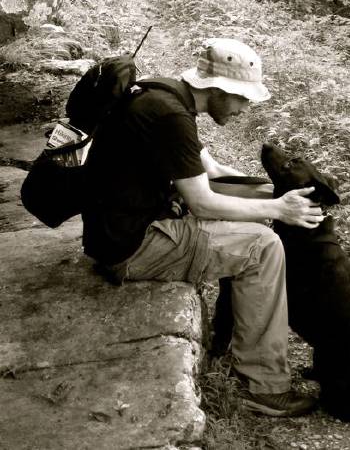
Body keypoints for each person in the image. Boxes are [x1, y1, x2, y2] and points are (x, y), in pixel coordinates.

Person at [82, 38, 324, 417]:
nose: (245, 109)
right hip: (132, 246)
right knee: (262, 246)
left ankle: (229, 338)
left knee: (252, 218)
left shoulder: (165, 94)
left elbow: (212, 173)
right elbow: (202, 202)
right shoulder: (171, 117)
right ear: (218, 89)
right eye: (242, 98)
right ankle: (264, 387)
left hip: (118, 229)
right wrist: (278, 209)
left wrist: (270, 192)